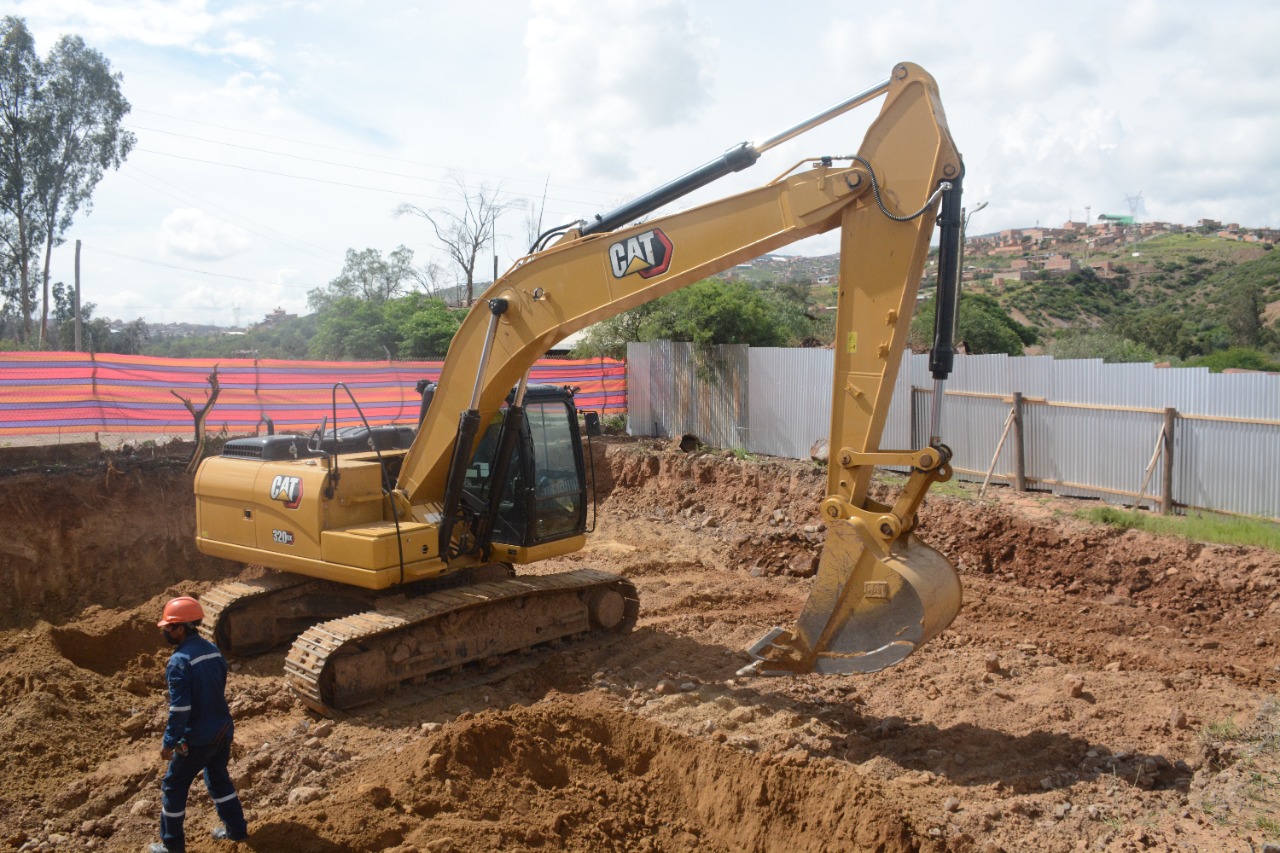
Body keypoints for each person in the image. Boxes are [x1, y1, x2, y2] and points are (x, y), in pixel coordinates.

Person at [149, 596, 249, 853]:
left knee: (173, 787)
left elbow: (180, 708)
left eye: (168, 627)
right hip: (222, 729)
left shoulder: (179, 661)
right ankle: (237, 831)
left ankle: (171, 847)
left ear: (181, 628)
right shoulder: (213, 650)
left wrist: (170, 742)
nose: (164, 631)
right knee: (218, 779)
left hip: (198, 737)